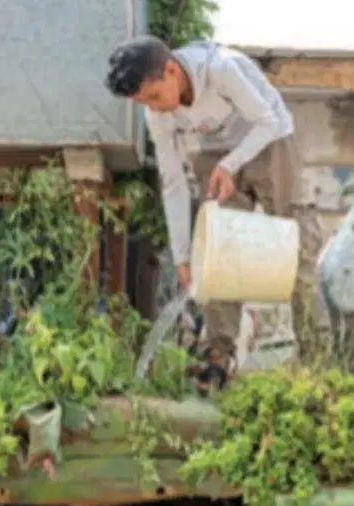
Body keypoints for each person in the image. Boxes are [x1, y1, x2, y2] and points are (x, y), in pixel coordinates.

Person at [104, 35, 319, 388]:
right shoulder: (156, 114)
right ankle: (220, 353)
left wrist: (231, 165)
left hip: (270, 140)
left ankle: (314, 354)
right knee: (218, 252)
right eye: (145, 102)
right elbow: (172, 183)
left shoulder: (221, 69)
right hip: (214, 154)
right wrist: (184, 257)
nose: (155, 109)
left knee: (299, 241)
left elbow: (267, 122)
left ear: (171, 70)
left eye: (156, 96)